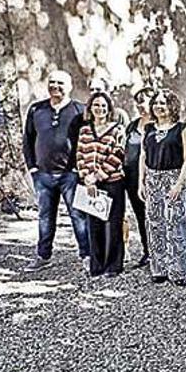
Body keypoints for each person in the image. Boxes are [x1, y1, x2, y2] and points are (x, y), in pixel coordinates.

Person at [22, 69, 90, 272]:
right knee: (45, 217)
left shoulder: (80, 110)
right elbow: (28, 139)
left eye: (60, 83)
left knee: (78, 216)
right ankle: (43, 256)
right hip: (43, 174)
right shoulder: (37, 110)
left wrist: (81, 169)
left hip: (71, 174)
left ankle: (86, 256)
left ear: (69, 86)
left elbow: (87, 140)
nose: (55, 86)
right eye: (52, 82)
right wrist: (32, 167)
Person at [139, 89, 186, 286]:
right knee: (154, 224)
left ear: (172, 105)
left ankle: (179, 271)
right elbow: (143, 156)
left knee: (175, 224)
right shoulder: (148, 129)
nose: (158, 107)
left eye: (163, 103)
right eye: (156, 103)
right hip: (152, 178)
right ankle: (159, 268)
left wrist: (179, 183)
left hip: (173, 178)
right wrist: (141, 182)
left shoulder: (182, 129)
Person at [76, 92, 127, 277]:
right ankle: (96, 266)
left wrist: (97, 176)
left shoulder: (117, 129)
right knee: (94, 224)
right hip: (90, 184)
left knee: (113, 224)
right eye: (96, 105)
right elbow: (80, 155)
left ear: (109, 109)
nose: (100, 109)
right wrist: (86, 177)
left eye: (104, 106)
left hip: (113, 182)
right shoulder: (84, 130)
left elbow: (118, 155)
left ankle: (114, 265)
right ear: (90, 108)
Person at [124, 87, 154, 268]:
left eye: (145, 101)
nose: (141, 105)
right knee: (141, 216)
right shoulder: (132, 126)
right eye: (139, 101)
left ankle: (162, 252)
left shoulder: (160, 125)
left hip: (153, 178)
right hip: (132, 179)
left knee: (156, 216)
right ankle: (147, 251)